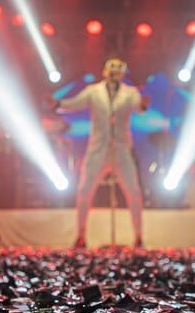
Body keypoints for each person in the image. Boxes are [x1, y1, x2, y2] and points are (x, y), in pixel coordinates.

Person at [55, 57, 149, 248]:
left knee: (133, 191)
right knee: (84, 190)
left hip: (121, 149)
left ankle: (138, 236)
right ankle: (81, 235)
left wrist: (143, 105)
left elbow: (139, 107)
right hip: (98, 149)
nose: (114, 74)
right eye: (111, 70)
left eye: (118, 71)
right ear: (105, 71)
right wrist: (57, 104)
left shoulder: (129, 93)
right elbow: (75, 103)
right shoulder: (93, 91)